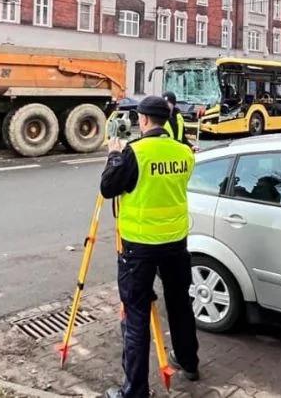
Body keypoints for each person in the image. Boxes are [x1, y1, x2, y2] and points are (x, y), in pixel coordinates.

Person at [100, 95, 199, 398]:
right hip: (175, 243)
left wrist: (114, 154)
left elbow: (108, 188)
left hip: (140, 247)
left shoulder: (135, 153)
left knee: (136, 314)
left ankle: (135, 391)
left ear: (142, 120)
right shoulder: (184, 152)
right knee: (180, 303)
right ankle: (188, 362)